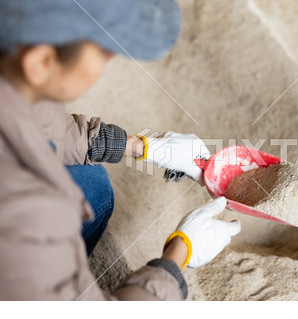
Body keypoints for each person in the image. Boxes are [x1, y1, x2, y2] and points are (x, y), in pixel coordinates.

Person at [0, 0, 241, 300]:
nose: (108, 60)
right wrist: (179, 253)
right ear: (41, 62)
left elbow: (39, 126)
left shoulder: (11, 76)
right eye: (104, 50)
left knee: (94, 186)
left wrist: (144, 147)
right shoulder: (25, 211)